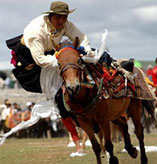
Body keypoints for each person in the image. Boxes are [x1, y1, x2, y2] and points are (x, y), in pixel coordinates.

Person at [5, 1, 92, 155]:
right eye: (58, 18)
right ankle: (76, 140)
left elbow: (81, 37)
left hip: (52, 56)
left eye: (64, 17)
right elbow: (40, 59)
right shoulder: (35, 31)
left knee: (85, 72)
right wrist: (62, 61)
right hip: (32, 65)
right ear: (50, 16)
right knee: (59, 97)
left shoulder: (65, 24)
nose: (61, 22)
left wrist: (85, 51)